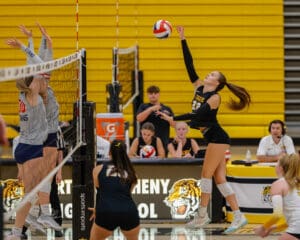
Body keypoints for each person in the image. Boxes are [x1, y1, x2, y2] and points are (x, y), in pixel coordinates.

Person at [159, 25, 251, 234]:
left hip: (218, 138)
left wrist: (173, 119)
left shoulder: (214, 98)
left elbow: (196, 117)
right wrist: (182, 39)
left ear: (217, 83)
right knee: (219, 179)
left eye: (212, 74)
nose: (208, 74)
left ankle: (202, 215)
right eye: (209, 73)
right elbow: (189, 65)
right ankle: (239, 216)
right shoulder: (200, 87)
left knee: (205, 175)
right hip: (212, 138)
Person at [89, 139, 140, 240]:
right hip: (128, 211)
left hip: (106, 211)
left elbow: (101, 192)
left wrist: (97, 210)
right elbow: (126, 194)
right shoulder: (132, 173)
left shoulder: (97, 170)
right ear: (125, 153)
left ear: (109, 152)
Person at [253, 153, 300, 239]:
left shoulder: (278, 184)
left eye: (276, 163)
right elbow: (295, 217)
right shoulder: (297, 183)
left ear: (280, 168)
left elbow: (277, 215)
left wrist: (263, 227)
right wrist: (272, 227)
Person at [136, 85, 174, 155]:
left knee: (162, 164)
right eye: (151, 93)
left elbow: (174, 125)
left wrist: (166, 117)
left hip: (163, 142)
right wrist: (151, 109)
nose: (153, 95)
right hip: (146, 143)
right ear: (147, 95)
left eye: (155, 93)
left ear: (159, 94)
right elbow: (139, 119)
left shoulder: (167, 109)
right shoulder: (143, 106)